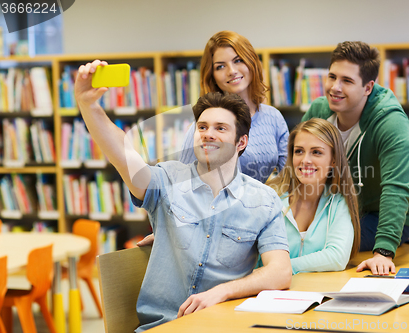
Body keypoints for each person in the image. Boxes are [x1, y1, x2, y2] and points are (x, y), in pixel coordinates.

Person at [75, 61, 292, 331]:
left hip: (223, 326)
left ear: (241, 142)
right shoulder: (166, 180)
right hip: (162, 326)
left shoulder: (264, 200)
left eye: (220, 128)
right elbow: (124, 156)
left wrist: (222, 292)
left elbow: (280, 271)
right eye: (202, 127)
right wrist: (89, 106)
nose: (208, 135)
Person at [301, 41, 409, 275]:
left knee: (316, 240)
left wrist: (384, 252)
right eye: (332, 77)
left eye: (347, 81)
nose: (335, 87)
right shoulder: (318, 112)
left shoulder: (390, 122)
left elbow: (396, 187)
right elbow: (297, 166)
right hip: (338, 206)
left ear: (368, 87)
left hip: (378, 214)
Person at [180, 30, 289, 183]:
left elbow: (290, 178)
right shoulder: (202, 127)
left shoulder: (274, 117)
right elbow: (184, 185)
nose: (231, 71)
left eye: (238, 61)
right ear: (212, 76)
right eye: (220, 67)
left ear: (251, 62)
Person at [260, 118, 360, 274]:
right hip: (268, 292)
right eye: (299, 151)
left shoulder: (338, 202)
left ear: (334, 160)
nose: (305, 160)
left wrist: (281, 269)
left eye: (316, 152)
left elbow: (337, 257)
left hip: (315, 292)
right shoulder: (270, 197)